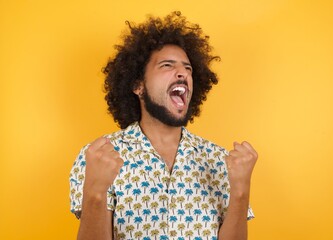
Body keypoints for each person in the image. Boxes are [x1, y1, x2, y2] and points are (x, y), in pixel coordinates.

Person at [69, 11, 258, 240]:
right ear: (138, 85)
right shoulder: (100, 157)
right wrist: (95, 192)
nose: (182, 73)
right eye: (167, 65)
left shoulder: (219, 161)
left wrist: (240, 190)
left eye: (188, 68)